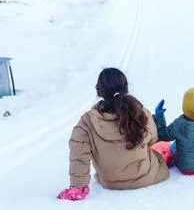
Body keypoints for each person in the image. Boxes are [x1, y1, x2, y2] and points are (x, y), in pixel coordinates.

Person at [57, 68, 169, 201]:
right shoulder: (141, 113)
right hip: (145, 175)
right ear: (126, 88)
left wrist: (78, 187)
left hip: (110, 180)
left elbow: (79, 155)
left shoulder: (87, 122)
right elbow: (153, 139)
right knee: (163, 149)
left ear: (98, 91)